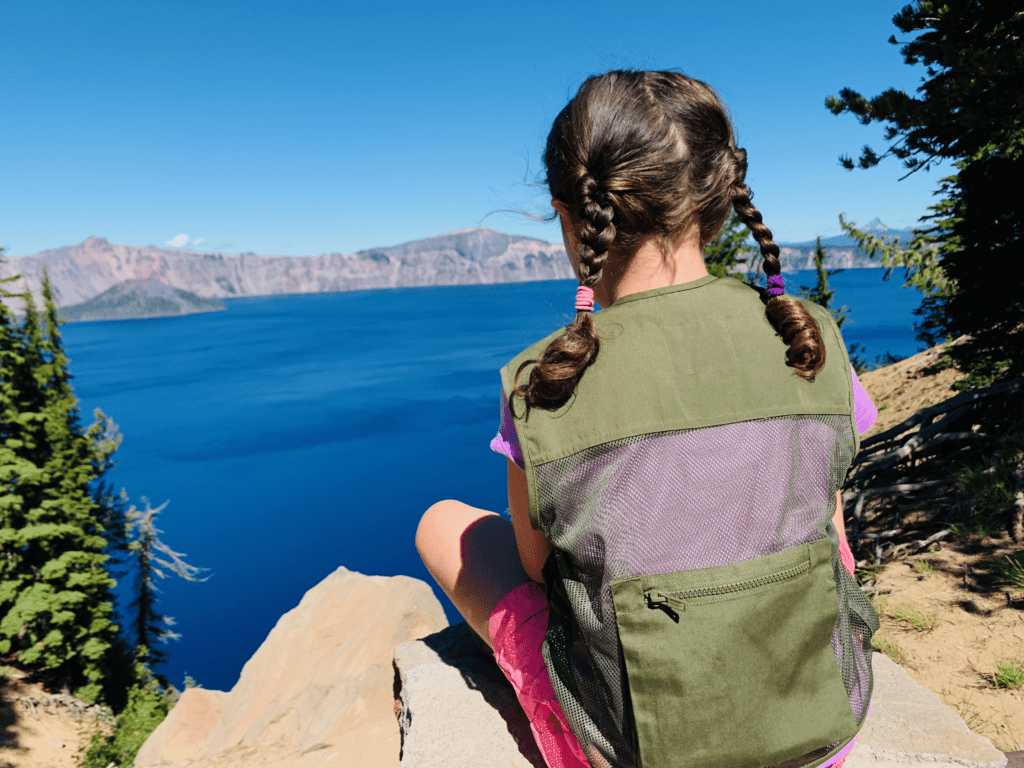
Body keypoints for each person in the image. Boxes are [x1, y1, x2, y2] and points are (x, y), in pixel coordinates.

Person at [416, 69, 880, 768]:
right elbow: (830, 528)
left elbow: (540, 570)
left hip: (629, 749)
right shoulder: (807, 337)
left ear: (570, 220)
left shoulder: (545, 380)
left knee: (441, 523)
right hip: (819, 725)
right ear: (721, 202)